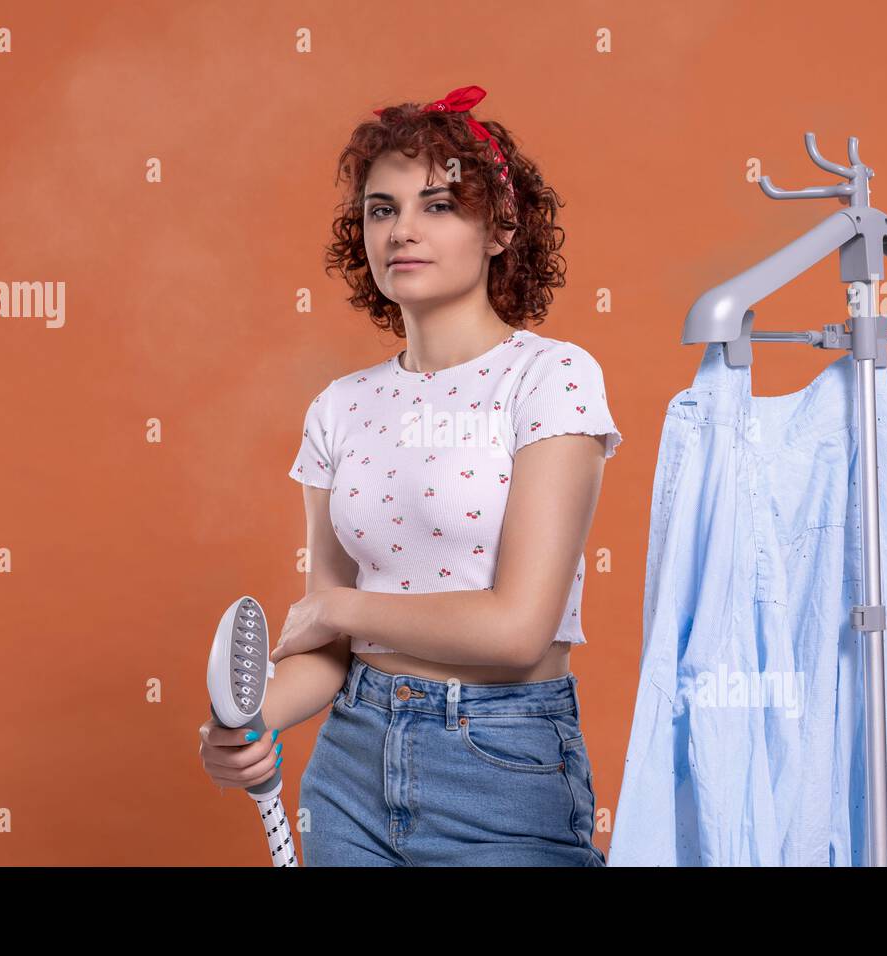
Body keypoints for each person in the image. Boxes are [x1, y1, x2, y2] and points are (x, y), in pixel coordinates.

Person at [200, 85, 622, 865]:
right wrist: (250, 726)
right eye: (381, 209)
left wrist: (339, 608)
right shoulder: (339, 406)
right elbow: (328, 648)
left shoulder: (551, 379)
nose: (402, 230)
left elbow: (517, 629)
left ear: (500, 229)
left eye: (438, 205)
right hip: (349, 769)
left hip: (501, 761)